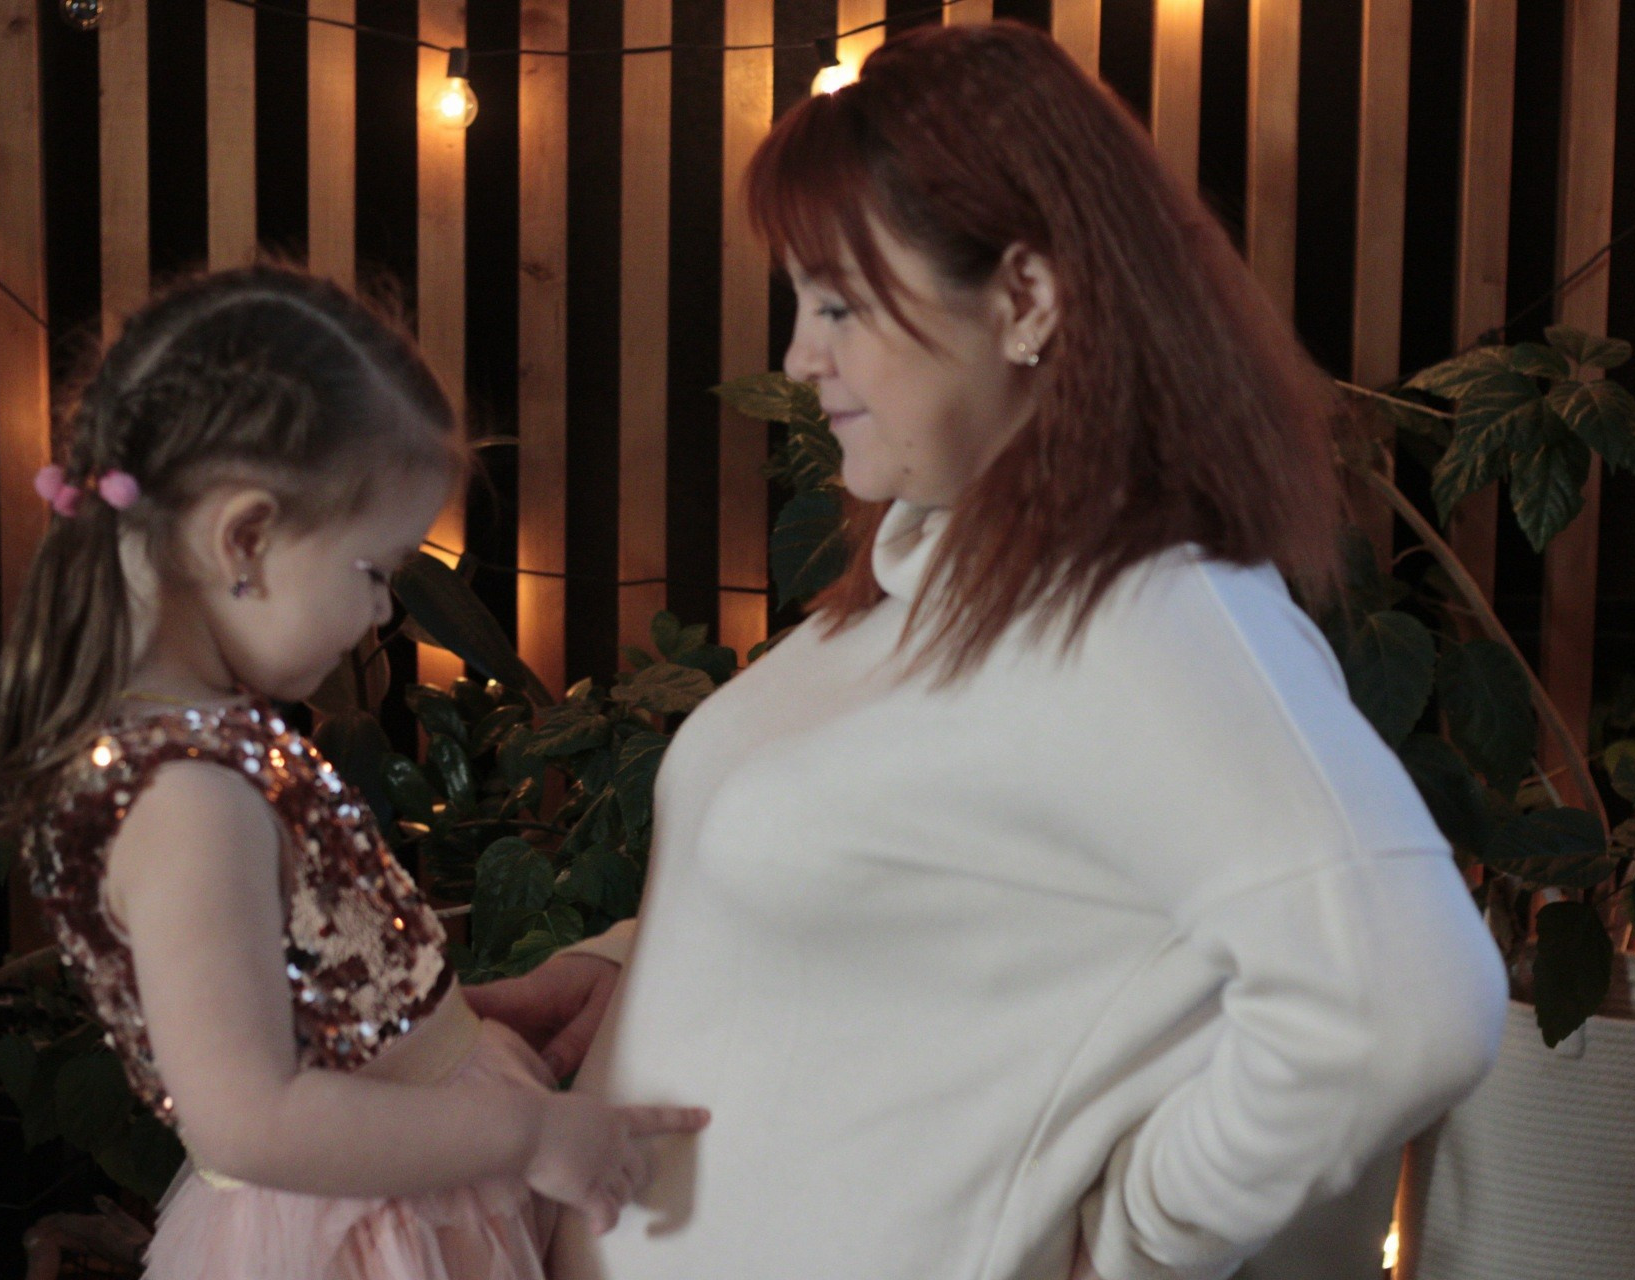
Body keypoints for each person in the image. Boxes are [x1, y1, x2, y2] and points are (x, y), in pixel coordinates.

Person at [537, 22, 1507, 1280]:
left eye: (839, 303)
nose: (798, 357)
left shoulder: (1144, 609)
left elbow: (1407, 1002)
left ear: (1028, 299)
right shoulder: (935, 576)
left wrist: (1142, 1237)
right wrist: (631, 966)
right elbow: (943, 913)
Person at [0, 266, 707, 1280]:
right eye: (373, 571)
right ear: (246, 538)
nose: (381, 613)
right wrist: (529, 1134)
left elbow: (309, 998)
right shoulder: (187, 801)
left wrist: (449, 1023)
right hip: (360, 1238)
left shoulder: (210, 746)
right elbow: (249, 1120)